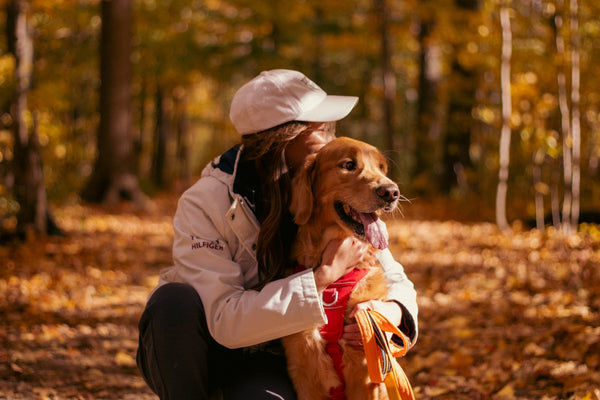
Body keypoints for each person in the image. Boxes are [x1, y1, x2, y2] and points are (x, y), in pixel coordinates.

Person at [136, 69, 418, 400]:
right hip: (209, 350)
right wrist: (322, 277)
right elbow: (224, 320)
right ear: (281, 139)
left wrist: (391, 312)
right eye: (319, 129)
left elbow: (392, 277)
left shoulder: (330, 194)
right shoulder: (205, 203)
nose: (329, 140)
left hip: (271, 359)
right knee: (173, 302)